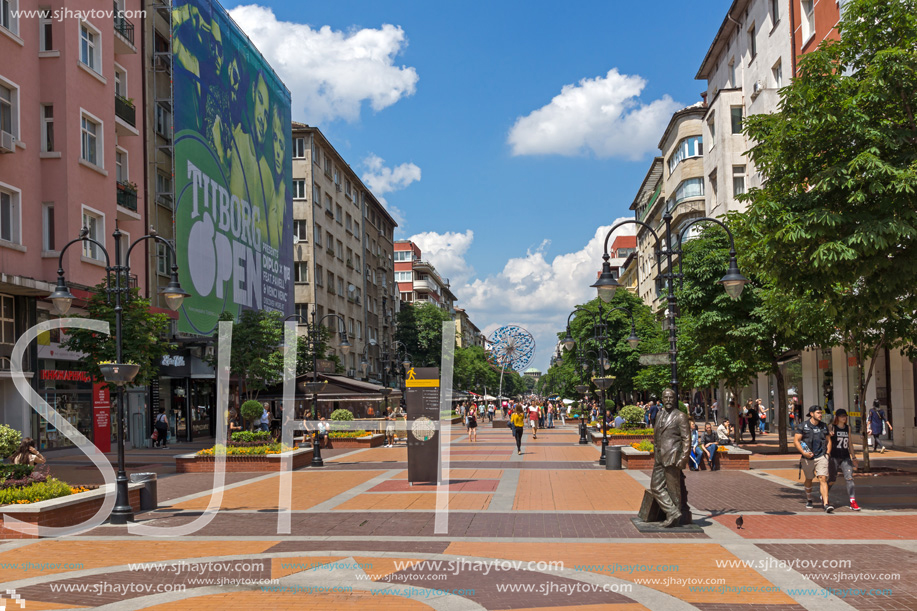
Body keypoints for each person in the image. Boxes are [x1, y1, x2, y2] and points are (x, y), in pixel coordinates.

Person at [795, 406, 834, 513]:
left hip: (821, 456)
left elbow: (828, 440)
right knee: (809, 479)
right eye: (818, 413)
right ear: (811, 414)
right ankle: (809, 498)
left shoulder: (824, 426)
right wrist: (804, 453)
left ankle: (826, 504)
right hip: (807, 457)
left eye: (821, 413)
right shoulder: (803, 426)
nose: (820, 415)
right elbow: (796, 441)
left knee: (823, 478)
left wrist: (827, 453)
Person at [828, 409, 860, 511]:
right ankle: (824, 494)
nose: (844, 418)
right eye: (842, 416)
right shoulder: (832, 427)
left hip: (845, 457)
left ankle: (852, 501)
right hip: (834, 456)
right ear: (837, 417)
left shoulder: (848, 428)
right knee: (832, 479)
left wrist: (854, 457)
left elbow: (850, 443)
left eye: (845, 416)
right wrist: (829, 434)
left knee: (849, 478)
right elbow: (827, 440)